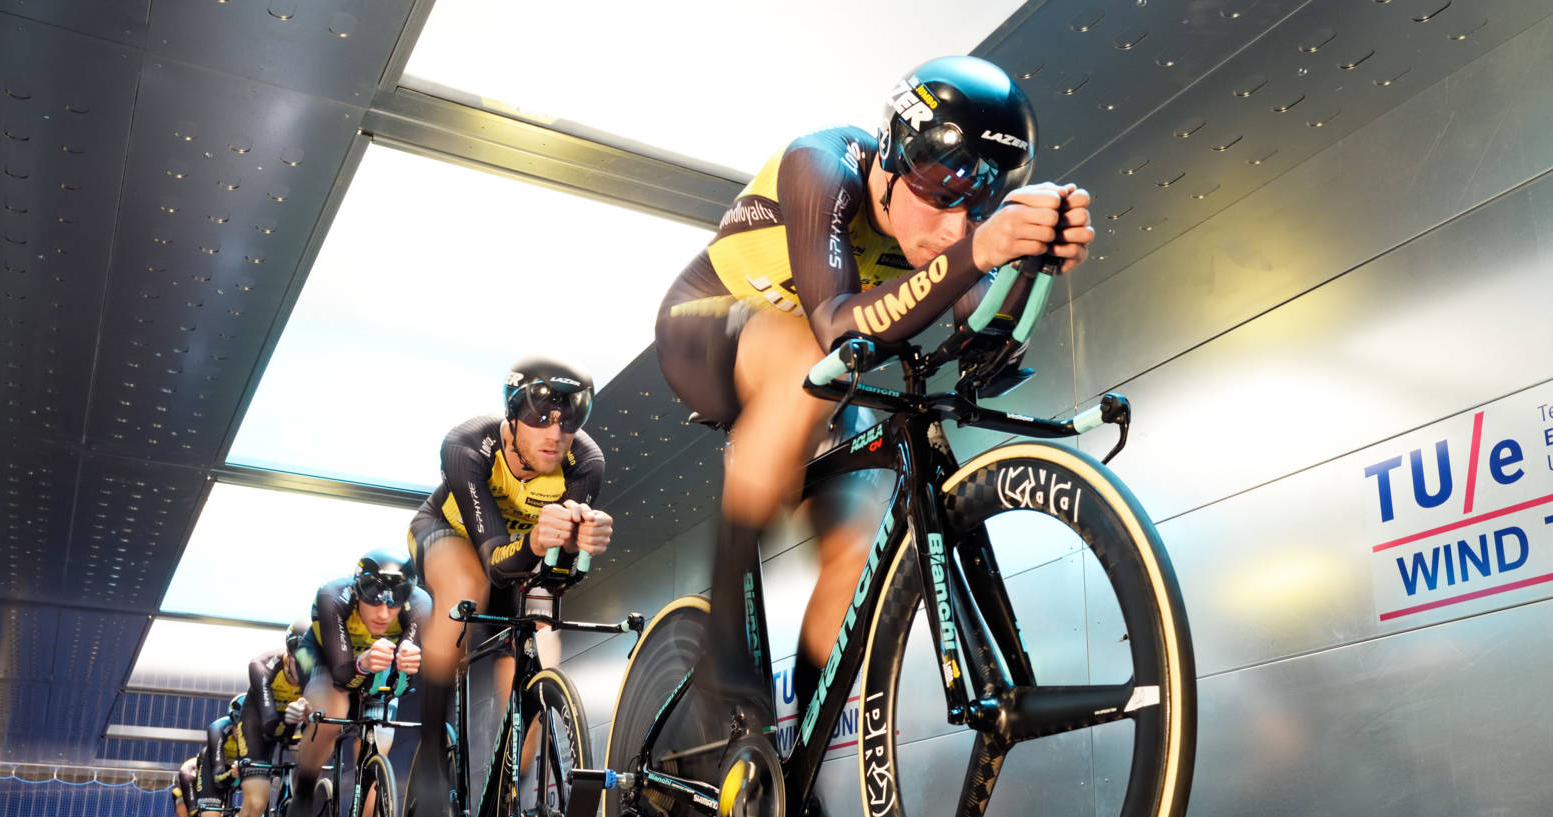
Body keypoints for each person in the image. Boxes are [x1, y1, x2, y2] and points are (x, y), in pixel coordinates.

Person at [653, 55, 1094, 729]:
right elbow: (832, 326)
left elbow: (982, 342)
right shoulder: (823, 166)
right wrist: (979, 252)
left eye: (976, 205)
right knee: (801, 344)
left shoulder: (949, 229)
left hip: (818, 381)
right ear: (890, 157)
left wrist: (1031, 260)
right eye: (942, 192)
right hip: (706, 333)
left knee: (857, 556)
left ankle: (790, 755)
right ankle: (722, 655)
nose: (955, 225)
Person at [408, 357, 613, 758]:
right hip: (452, 534)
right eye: (540, 416)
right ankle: (430, 751)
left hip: (517, 552)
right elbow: (496, 564)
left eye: (570, 420)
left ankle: (513, 788)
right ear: (513, 415)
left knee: (542, 650)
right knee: (467, 585)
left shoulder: (586, 464)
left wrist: (580, 541)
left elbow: (555, 571)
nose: (555, 433)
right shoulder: (468, 444)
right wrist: (538, 542)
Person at [285, 550, 430, 817]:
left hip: (375, 669)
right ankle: (306, 787)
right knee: (332, 711)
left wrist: (407, 664)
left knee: (380, 746)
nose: (383, 614)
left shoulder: (420, 605)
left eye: (393, 604)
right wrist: (362, 664)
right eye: (373, 601)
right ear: (356, 590)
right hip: (331, 662)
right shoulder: (333, 595)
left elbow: (402, 684)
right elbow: (340, 675)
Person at [213, 621, 312, 817]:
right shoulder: (263, 666)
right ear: (288, 655)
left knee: (310, 770)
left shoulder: (317, 666)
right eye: (300, 664)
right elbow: (270, 722)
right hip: (260, 722)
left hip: (295, 721)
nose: (304, 673)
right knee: (255, 803)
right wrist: (290, 718)